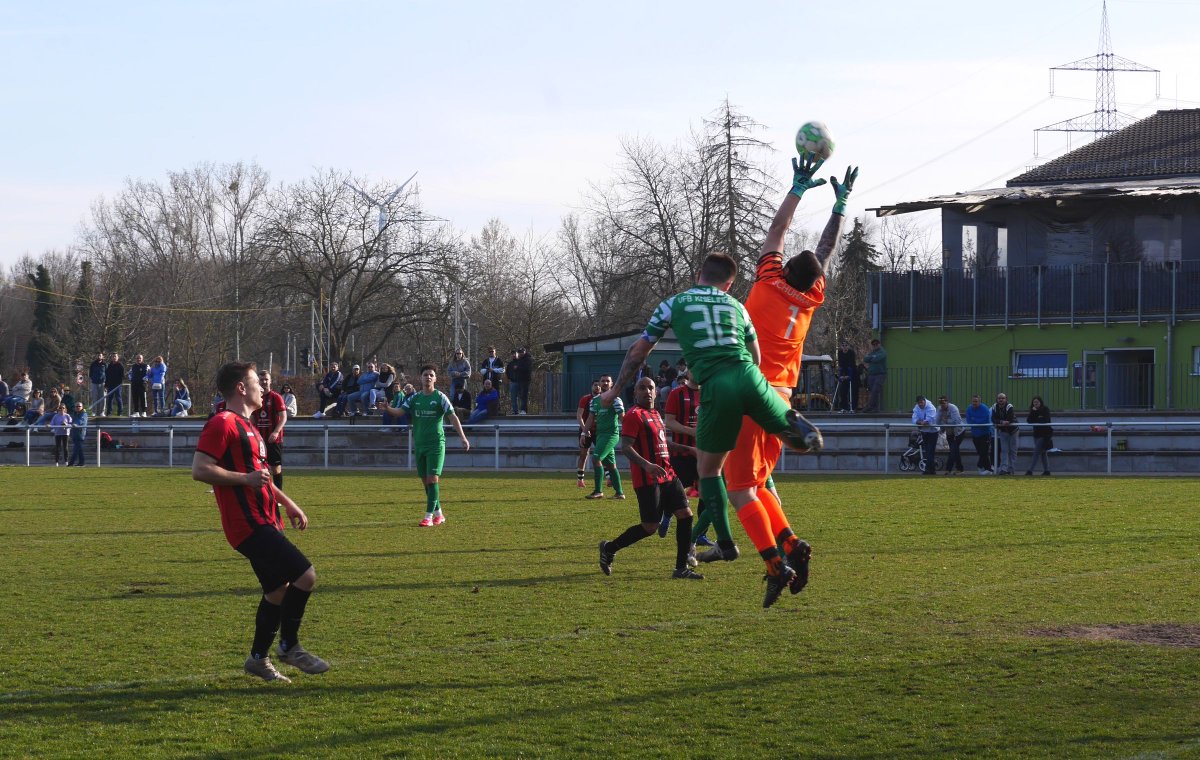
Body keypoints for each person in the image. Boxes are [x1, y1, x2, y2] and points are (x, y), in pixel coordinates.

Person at [599, 242, 824, 585]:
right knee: (771, 446)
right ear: (730, 284)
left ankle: (726, 542)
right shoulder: (737, 306)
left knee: (711, 472)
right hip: (755, 378)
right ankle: (797, 432)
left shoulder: (674, 304)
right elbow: (756, 355)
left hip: (718, 386)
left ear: (697, 275)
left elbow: (639, 349)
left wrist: (615, 391)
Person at [700, 156, 855, 607]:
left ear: (783, 270)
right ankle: (790, 544)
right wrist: (840, 206)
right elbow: (823, 252)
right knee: (761, 483)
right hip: (783, 400)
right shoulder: (808, 299)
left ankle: (774, 562)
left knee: (739, 487)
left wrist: (798, 187)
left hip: (753, 392)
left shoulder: (768, 283)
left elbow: (776, 232)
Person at [191, 361, 329, 683]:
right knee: (305, 576)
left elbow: (263, 479)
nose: (263, 387)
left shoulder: (252, 428)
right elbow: (200, 469)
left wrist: (289, 504)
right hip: (248, 524)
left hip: (266, 518)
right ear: (241, 387)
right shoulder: (222, 422)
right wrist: (245, 478)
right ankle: (289, 645)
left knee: (277, 592)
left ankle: (257, 659)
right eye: (257, 381)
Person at [597, 377, 704, 581]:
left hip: (668, 474)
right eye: (642, 388)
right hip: (647, 479)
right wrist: (647, 465)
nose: (647, 391)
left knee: (686, 515)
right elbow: (626, 446)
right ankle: (609, 548)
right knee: (650, 527)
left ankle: (680, 568)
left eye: (651, 388)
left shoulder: (655, 414)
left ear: (656, 392)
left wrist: (689, 450)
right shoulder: (633, 416)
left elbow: (665, 444)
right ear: (635, 393)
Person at [377, 364, 471, 526]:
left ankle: (428, 517)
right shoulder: (415, 398)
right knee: (425, 482)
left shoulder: (440, 397)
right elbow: (400, 412)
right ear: (420, 378)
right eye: (425, 375)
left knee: (433, 479)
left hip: (436, 445)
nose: (428, 377)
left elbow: (453, 417)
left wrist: (463, 437)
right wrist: (388, 408)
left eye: (431, 375)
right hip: (419, 445)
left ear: (435, 378)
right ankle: (439, 514)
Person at [584, 374, 625, 500]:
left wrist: (631, 433)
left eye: (608, 381)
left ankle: (598, 491)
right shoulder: (594, 401)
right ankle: (619, 493)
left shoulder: (616, 400)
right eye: (603, 381)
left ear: (612, 384)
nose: (605, 383)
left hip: (611, 435)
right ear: (599, 383)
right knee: (611, 465)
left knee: (596, 458)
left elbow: (623, 417)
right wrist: (583, 433)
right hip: (600, 435)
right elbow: (590, 418)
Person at [256, 370, 288, 490]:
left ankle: (279, 496)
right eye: (261, 380)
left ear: (270, 381)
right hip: (259, 440)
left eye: (266, 379)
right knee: (260, 468)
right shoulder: (256, 397)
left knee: (275, 468)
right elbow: (253, 418)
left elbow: (284, 417)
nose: (264, 382)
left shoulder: (276, 397)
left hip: (274, 439)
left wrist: (275, 432)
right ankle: (265, 494)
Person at [574, 381, 600, 487]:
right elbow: (579, 416)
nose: (597, 387)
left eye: (599, 385)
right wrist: (585, 430)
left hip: (599, 431)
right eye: (595, 385)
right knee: (584, 454)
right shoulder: (585, 399)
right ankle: (580, 480)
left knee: (603, 454)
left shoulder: (605, 399)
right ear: (591, 386)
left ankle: (608, 478)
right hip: (586, 430)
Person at [991, 392, 1019, 475]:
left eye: (1002, 398)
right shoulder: (994, 407)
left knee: (1013, 450)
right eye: (999, 398)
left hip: (1013, 431)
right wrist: (1002, 421)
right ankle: (1003, 469)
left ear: (1006, 399)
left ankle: (1011, 469)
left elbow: (1009, 419)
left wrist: (1001, 421)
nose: (1001, 400)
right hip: (1003, 431)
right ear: (997, 399)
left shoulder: (1009, 406)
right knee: (1004, 450)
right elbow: (993, 419)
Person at [965, 394, 994, 474]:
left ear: (980, 402)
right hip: (975, 434)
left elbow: (985, 420)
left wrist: (975, 420)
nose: (974, 403)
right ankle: (988, 468)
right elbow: (969, 420)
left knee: (984, 452)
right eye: (973, 401)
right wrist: (976, 421)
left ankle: (980, 466)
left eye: (976, 401)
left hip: (985, 434)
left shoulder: (984, 408)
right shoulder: (969, 408)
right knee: (980, 452)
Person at [1025, 396, 1053, 476]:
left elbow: (1045, 420)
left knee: (1036, 453)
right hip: (1036, 434)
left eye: (1037, 402)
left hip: (1044, 434)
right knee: (1043, 453)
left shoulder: (1045, 409)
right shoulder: (1033, 411)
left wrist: (1036, 419)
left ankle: (1030, 470)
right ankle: (1047, 470)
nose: (1035, 404)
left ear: (1040, 402)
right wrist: (1033, 413)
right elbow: (1029, 420)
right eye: (1034, 402)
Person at [937, 395, 965, 474]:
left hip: (958, 432)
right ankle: (960, 469)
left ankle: (948, 469)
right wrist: (943, 424)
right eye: (941, 403)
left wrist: (946, 421)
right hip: (949, 433)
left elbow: (956, 421)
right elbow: (937, 421)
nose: (942, 405)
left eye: (944, 403)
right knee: (955, 451)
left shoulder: (953, 408)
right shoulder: (939, 409)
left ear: (947, 402)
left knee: (953, 450)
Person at [911, 395, 939, 475]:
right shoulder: (916, 407)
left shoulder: (931, 407)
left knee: (930, 451)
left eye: (921, 402)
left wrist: (921, 422)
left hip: (933, 432)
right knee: (928, 451)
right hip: (924, 431)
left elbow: (929, 420)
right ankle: (932, 470)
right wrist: (920, 422)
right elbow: (914, 419)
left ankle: (927, 469)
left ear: (924, 401)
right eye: (919, 403)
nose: (920, 404)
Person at [863, 339, 887, 412]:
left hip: (880, 374)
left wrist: (871, 357)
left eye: (876, 344)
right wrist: (872, 357)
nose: (875, 346)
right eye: (873, 345)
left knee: (875, 390)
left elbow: (877, 359)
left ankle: (870, 406)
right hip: (871, 375)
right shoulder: (873, 352)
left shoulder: (883, 352)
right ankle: (875, 408)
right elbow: (865, 359)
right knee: (872, 391)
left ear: (879, 344)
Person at [836, 340, 858, 413]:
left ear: (848, 346)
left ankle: (853, 407)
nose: (844, 347)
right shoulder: (840, 353)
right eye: (843, 345)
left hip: (851, 372)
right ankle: (844, 407)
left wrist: (849, 375)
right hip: (844, 372)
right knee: (843, 391)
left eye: (846, 345)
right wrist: (841, 375)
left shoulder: (851, 353)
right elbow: (840, 364)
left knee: (853, 391)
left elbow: (851, 364)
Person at [67, 401, 88, 466]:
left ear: (82, 407)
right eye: (76, 406)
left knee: (76, 449)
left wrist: (76, 424)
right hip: (74, 433)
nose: (78, 407)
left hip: (80, 434)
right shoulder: (74, 413)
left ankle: (71, 463)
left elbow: (81, 420)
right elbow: (71, 421)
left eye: (79, 406)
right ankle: (82, 462)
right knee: (79, 449)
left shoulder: (84, 414)